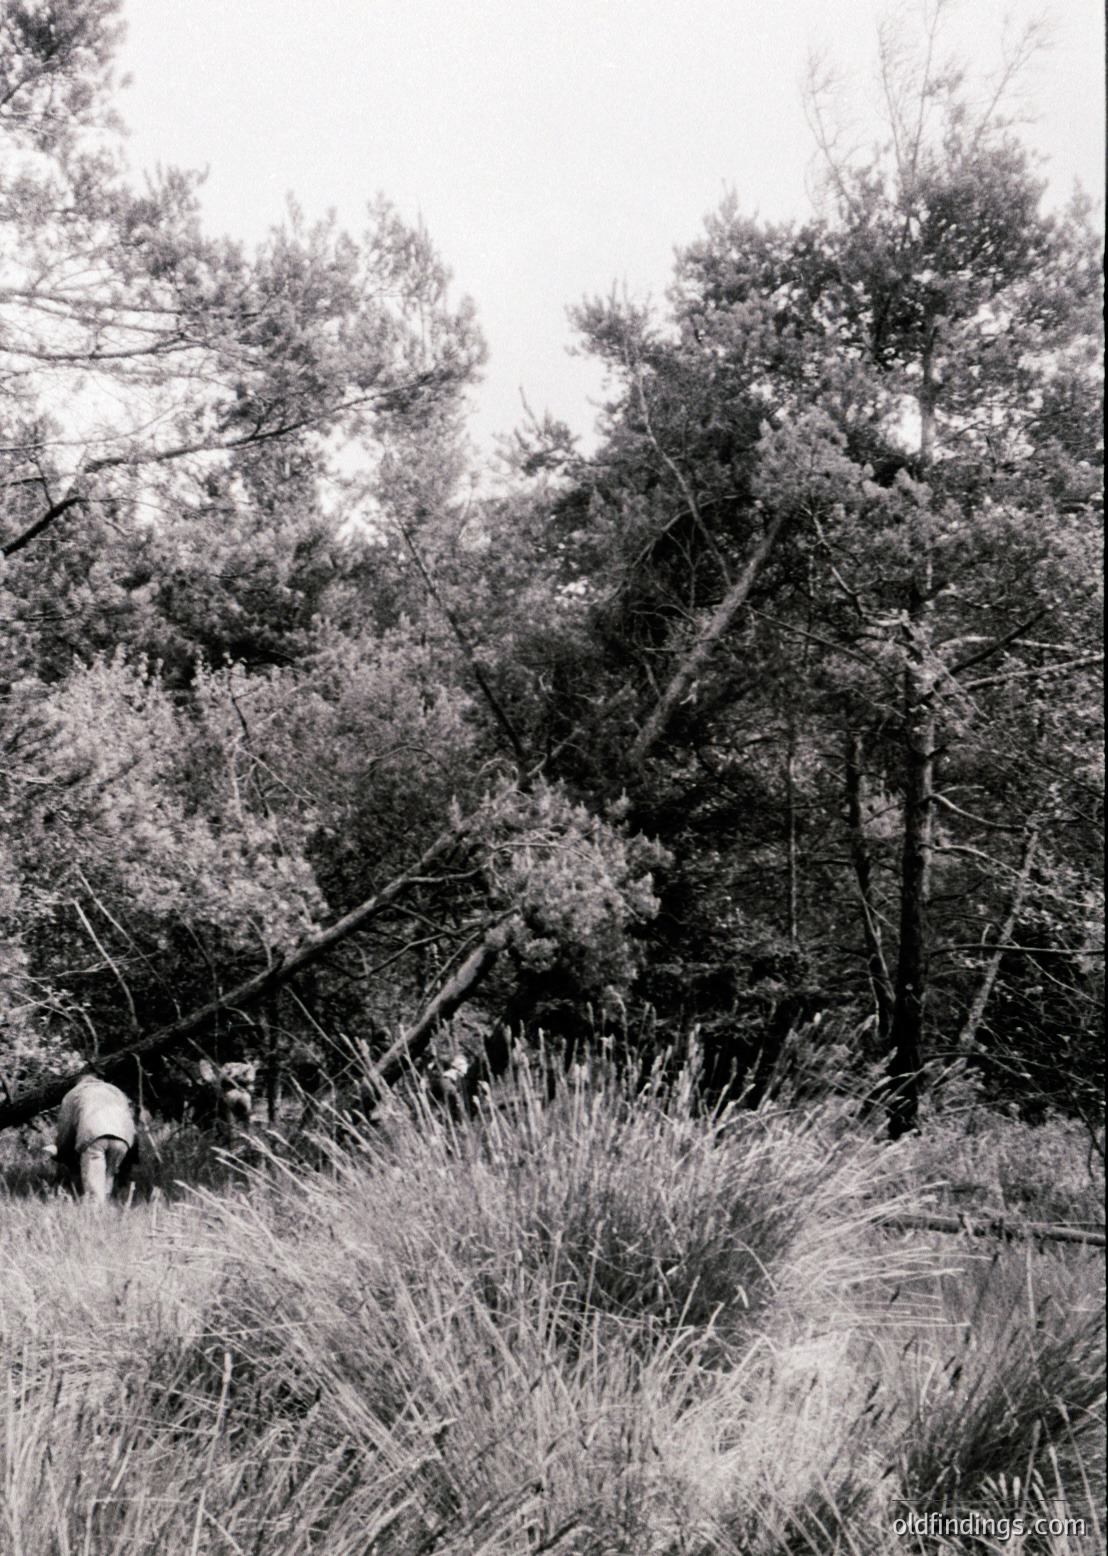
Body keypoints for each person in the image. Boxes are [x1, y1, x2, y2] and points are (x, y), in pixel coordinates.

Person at [54, 1074, 137, 1203]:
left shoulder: (74, 1093)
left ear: (79, 1082)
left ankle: (94, 1216)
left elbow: (65, 1128)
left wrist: (61, 1152)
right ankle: (107, 1212)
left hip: (94, 1137)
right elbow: (128, 1119)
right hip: (122, 1138)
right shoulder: (115, 1091)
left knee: (94, 1193)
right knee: (107, 1178)